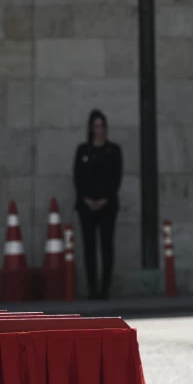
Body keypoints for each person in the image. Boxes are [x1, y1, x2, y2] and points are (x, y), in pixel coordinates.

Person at [73, 109, 122, 300]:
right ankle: (92, 287)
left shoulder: (113, 150)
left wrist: (104, 199)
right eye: (96, 126)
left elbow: (116, 178)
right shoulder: (83, 150)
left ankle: (105, 288)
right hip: (86, 206)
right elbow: (77, 177)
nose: (99, 130)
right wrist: (86, 198)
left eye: (102, 126)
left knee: (106, 245)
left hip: (107, 205)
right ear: (91, 129)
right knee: (89, 247)